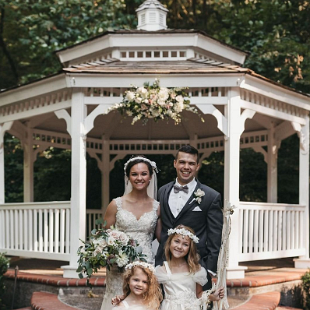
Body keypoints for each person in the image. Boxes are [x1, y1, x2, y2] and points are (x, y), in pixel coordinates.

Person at [155, 145, 223, 290]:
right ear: (175, 163)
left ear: (197, 166)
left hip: (195, 266)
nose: (186, 167)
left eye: (191, 163)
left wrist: (210, 269)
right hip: (165, 264)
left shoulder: (211, 196)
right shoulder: (162, 191)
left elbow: (215, 237)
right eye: (182, 162)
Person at [101, 156, 160, 310]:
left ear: (150, 177)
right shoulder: (116, 204)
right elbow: (103, 237)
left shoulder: (157, 207)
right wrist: (110, 254)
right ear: (128, 177)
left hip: (145, 263)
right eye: (134, 174)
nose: (139, 178)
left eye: (143, 174)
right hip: (118, 267)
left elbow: (162, 237)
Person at [155, 225, 224, 310]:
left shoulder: (195, 269)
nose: (179, 246)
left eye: (185, 244)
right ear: (169, 243)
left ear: (190, 248)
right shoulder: (162, 270)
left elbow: (198, 294)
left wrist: (212, 296)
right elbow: (155, 296)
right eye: (177, 241)